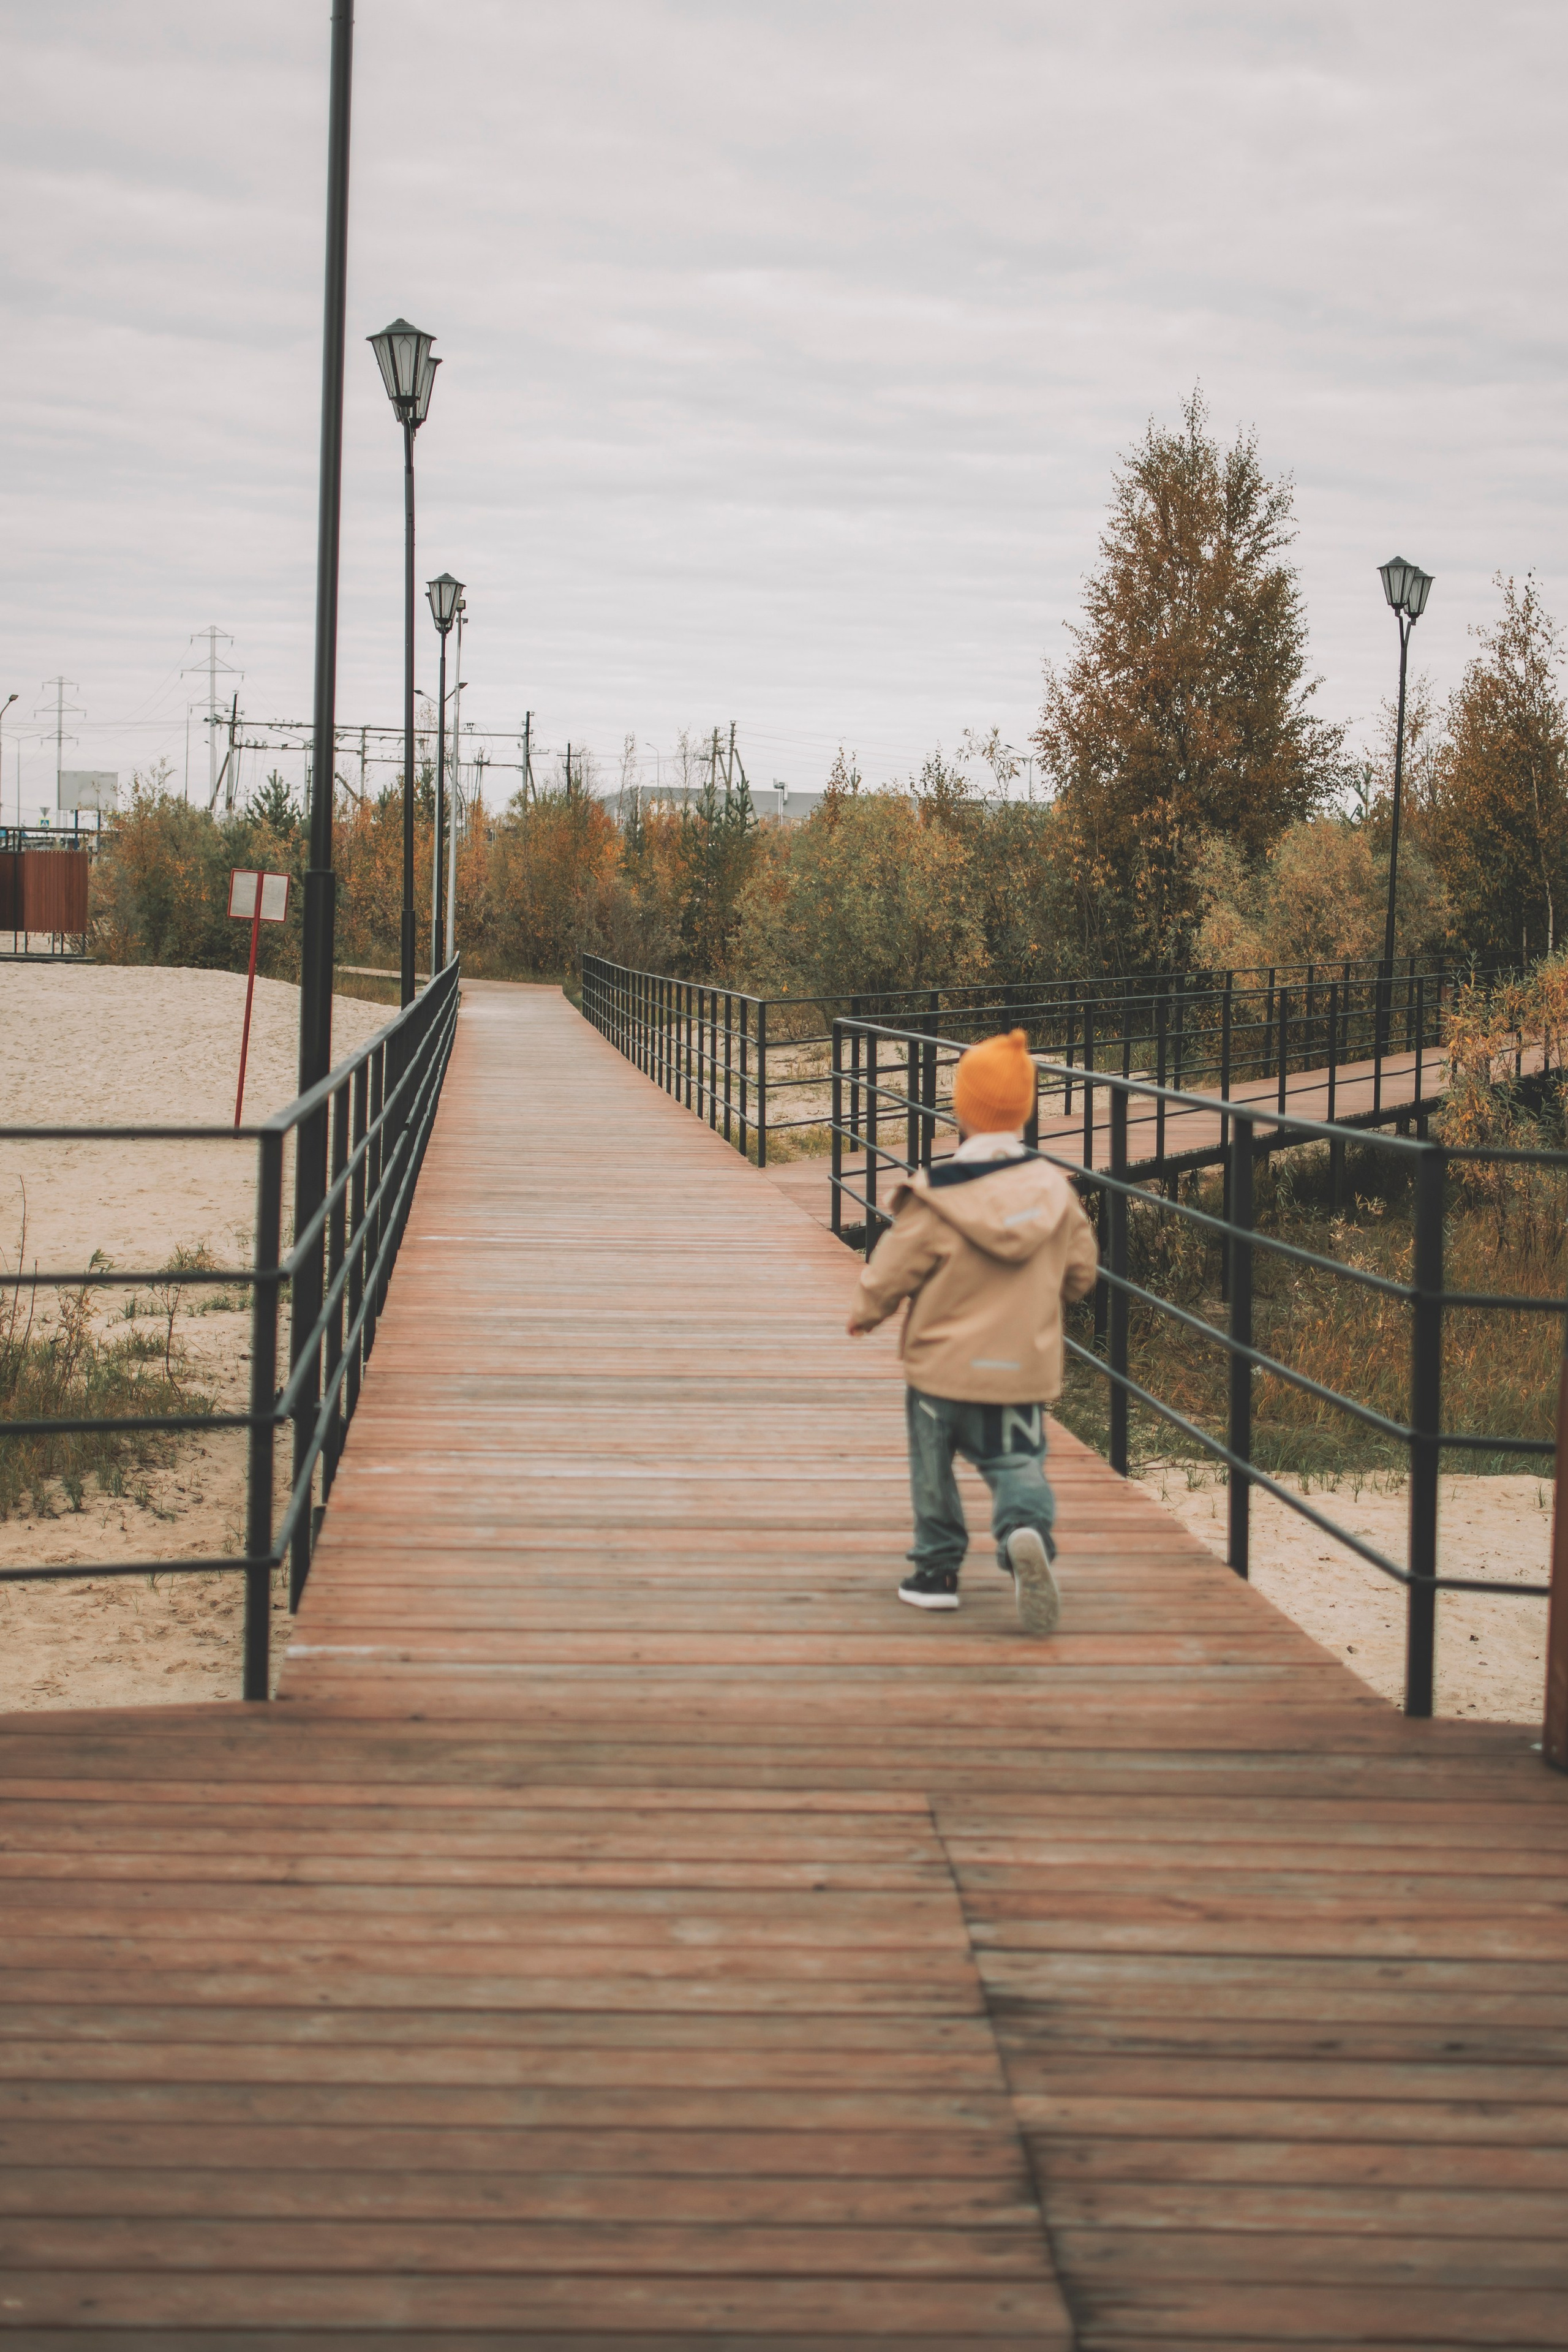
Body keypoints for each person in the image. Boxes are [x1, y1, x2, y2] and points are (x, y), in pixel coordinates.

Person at [845, 1028, 1099, 1630]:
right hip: (1019, 1370)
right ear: (1026, 1109)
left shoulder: (937, 1196)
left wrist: (866, 1311)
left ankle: (935, 1572)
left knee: (932, 1470)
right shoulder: (1054, 1194)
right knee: (1016, 1464)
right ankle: (1025, 1532)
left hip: (942, 1372)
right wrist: (1051, 1292)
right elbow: (1081, 1273)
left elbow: (891, 1270)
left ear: (962, 1108)